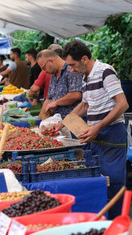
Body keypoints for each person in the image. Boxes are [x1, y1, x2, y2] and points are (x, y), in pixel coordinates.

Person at [54, 40, 129, 219]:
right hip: (96, 135)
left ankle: (117, 222)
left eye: (72, 65)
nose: (70, 69)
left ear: (85, 58)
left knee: (114, 180)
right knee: (102, 180)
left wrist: (98, 126)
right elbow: (85, 105)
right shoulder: (86, 77)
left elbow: (122, 104)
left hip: (112, 134)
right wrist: (63, 123)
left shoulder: (105, 72)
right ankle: (104, 220)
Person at [36, 49, 82, 120]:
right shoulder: (53, 74)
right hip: (58, 121)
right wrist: (39, 120)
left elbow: (76, 94)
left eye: (44, 68)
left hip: (73, 121)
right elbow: (49, 99)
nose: (44, 71)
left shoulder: (71, 69)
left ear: (51, 61)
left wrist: (56, 102)